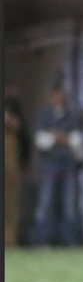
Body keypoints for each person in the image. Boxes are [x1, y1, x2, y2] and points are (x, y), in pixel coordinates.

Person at [28, 85, 83, 247]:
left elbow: (77, 141)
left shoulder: (72, 115)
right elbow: (41, 141)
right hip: (49, 165)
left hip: (68, 165)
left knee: (70, 205)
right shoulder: (44, 114)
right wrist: (64, 139)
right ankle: (43, 240)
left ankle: (70, 241)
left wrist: (56, 136)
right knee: (45, 203)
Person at [5, 86, 32, 247]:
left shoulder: (15, 109)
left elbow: (25, 139)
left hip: (11, 167)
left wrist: (25, 163)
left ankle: (9, 240)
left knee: (10, 203)